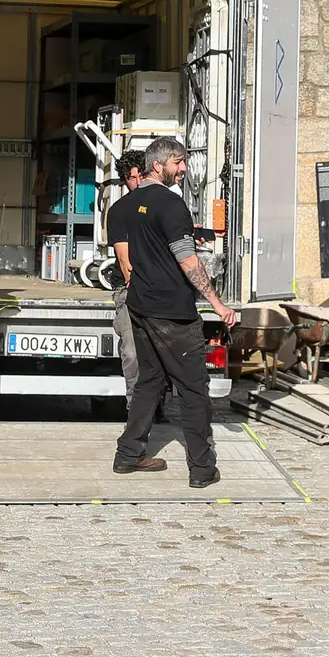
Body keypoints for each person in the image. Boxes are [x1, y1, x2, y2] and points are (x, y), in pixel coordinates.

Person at [112, 136, 238, 488]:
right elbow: (187, 259)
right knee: (193, 389)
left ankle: (128, 455)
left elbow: (128, 259)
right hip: (172, 311)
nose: (183, 168)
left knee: (149, 382)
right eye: (178, 162)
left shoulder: (125, 205)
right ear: (158, 165)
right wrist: (217, 303)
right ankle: (202, 468)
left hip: (140, 305)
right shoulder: (171, 204)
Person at [104, 149, 146, 408]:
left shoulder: (166, 205)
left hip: (163, 288)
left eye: (141, 176)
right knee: (132, 352)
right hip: (131, 288)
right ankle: (137, 411)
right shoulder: (119, 211)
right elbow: (124, 259)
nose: (138, 183)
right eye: (131, 178)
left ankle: (156, 404)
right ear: (124, 180)